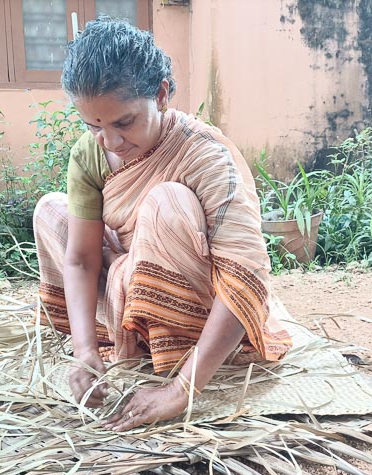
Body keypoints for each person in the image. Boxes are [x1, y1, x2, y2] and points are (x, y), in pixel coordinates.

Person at [33, 17, 292, 432]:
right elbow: (81, 261)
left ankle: (176, 352)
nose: (111, 142)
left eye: (124, 122)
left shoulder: (202, 154)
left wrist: (180, 392)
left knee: (166, 200)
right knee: (50, 210)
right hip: (131, 285)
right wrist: (83, 350)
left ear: (162, 93)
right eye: (93, 125)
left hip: (194, 302)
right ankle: (126, 340)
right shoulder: (90, 154)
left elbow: (246, 274)